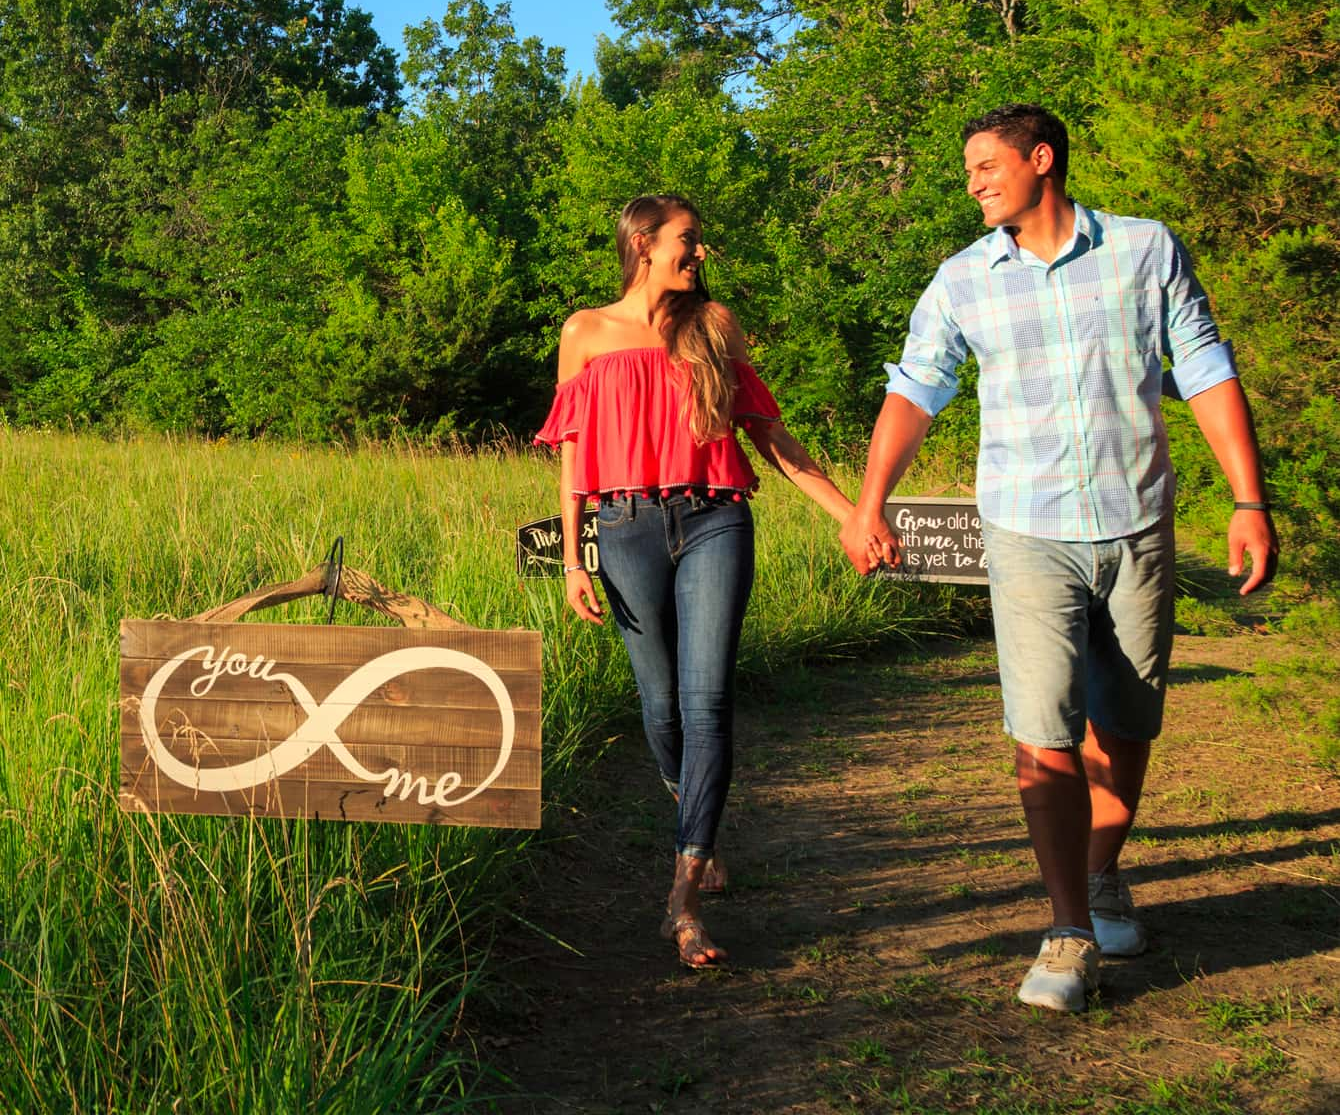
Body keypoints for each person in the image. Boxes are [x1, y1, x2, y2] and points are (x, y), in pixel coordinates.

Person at [839, 105, 1278, 1012]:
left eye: (987, 165)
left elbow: (1202, 369)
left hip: (1136, 525)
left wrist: (1247, 499)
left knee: (1125, 727)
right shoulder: (962, 280)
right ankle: (1069, 929)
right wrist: (869, 504)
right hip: (1026, 530)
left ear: (1042, 160)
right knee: (1042, 732)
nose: (973, 181)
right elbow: (914, 392)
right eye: (967, 168)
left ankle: (1102, 872)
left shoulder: (1147, 251)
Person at [536, 194, 854, 970]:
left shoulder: (714, 327)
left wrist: (850, 513)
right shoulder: (584, 331)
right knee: (659, 703)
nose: (700, 254)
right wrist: (574, 557)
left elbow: (769, 434)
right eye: (689, 241)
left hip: (715, 519)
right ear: (642, 244)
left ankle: (683, 894)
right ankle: (695, 813)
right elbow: (574, 452)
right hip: (623, 530)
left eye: (700, 243)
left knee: (706, 698)